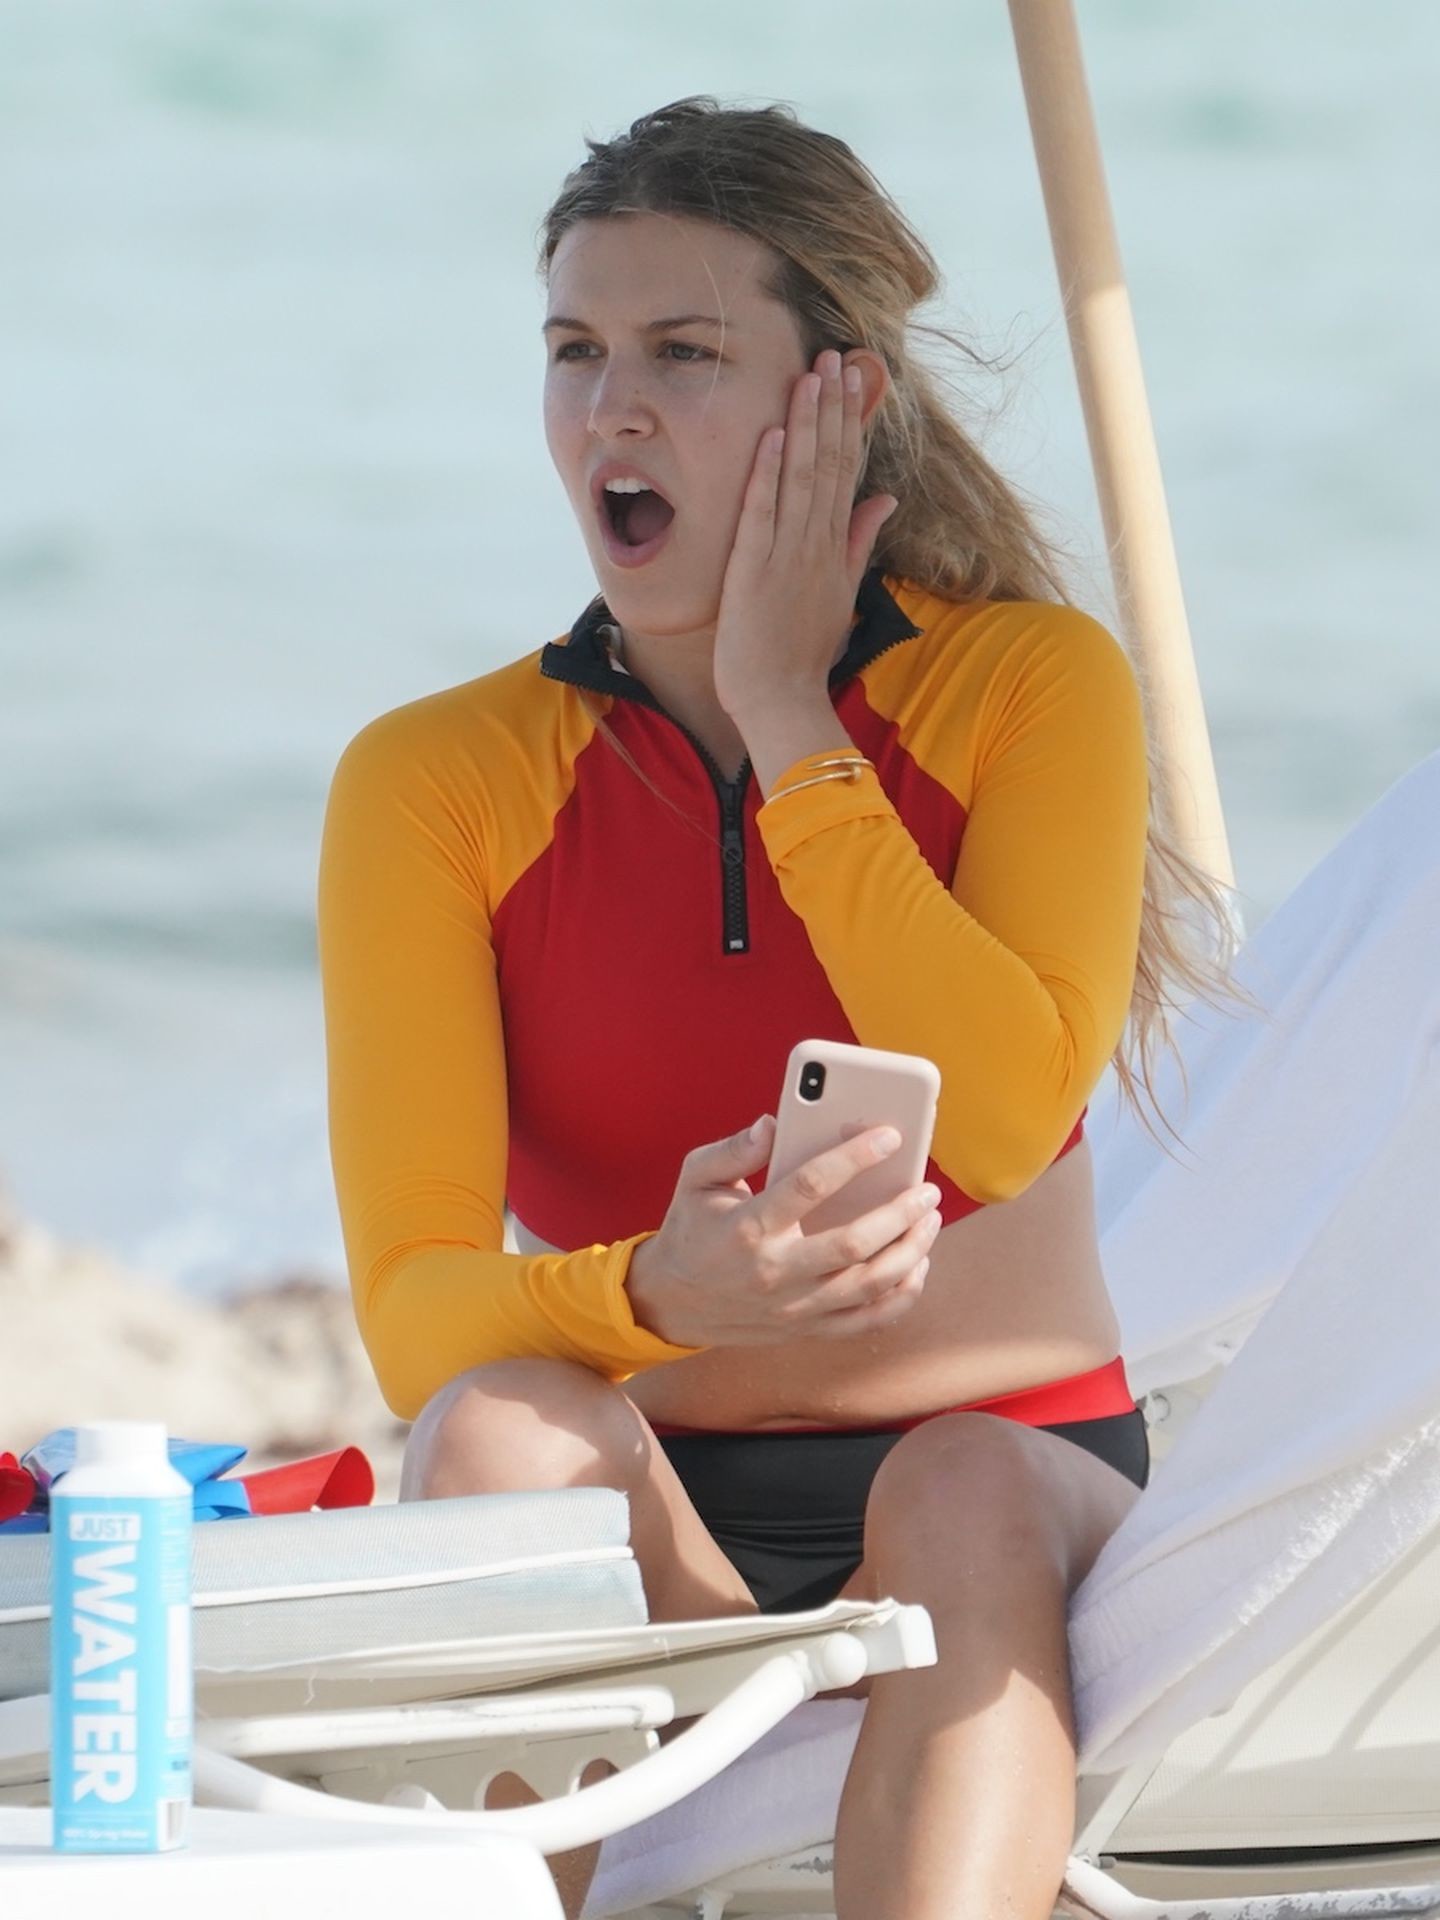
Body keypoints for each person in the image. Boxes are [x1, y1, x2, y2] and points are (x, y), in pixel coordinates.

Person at [317, 97, 1243, 1920]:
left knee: (957, 1488)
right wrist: (659, 1297)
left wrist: (790, 717)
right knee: (496, 1428)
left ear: (840, 397)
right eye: (575, 352)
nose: (613, 410)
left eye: (682, 351)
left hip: (1012, 1480)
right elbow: (417, 1312)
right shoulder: (435, 781)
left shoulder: (1027, 686)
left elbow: (1003, 1124)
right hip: (659, 1524)